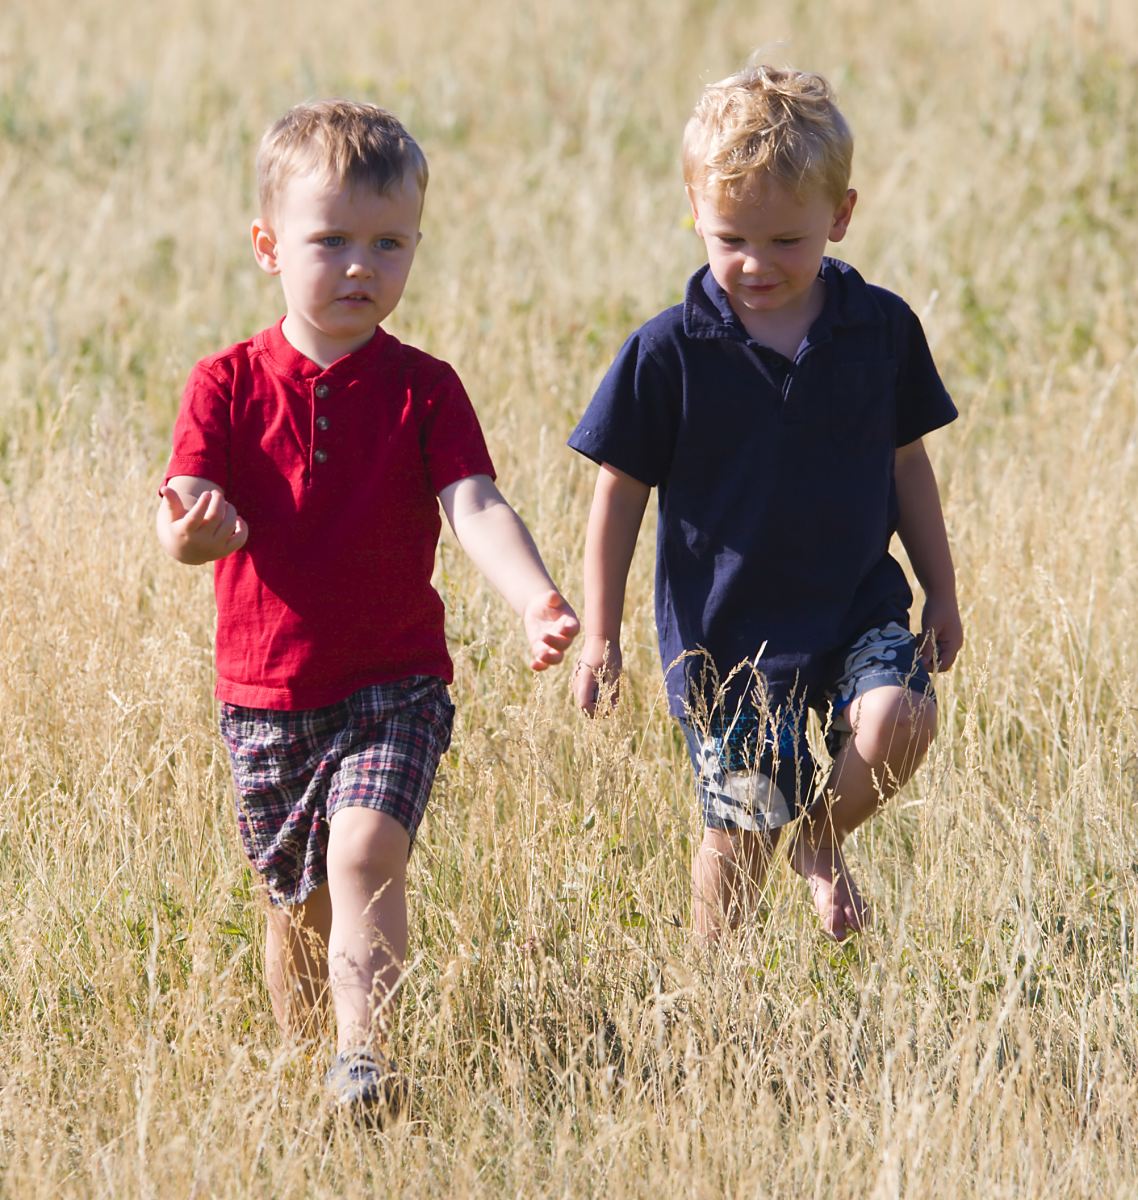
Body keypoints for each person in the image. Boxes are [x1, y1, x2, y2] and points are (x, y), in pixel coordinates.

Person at [156, 100, 579, 1117]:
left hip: (396, 680)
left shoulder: (424, 390)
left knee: (365, 851)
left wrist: (533, 599)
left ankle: (364, 1057)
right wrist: (197, 535)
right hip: (266, 687)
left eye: (388, 245)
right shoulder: (222, 385)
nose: (361, 267)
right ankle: (312, 1068)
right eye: (331, 241)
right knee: (294, 900)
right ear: (267, 247)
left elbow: (473, 503)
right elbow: (178, 522)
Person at [569, 63, 962, 944]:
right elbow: (618, 493)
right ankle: (719, 1003)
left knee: (903, 715)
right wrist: (601, 632)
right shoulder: (668, 352)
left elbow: (907, 465)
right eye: (730, 238)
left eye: (786, 241)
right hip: (725, 641)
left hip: (858, 604)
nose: (756, 264)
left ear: (841, 216)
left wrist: (941, 589)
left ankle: (820, 839)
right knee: (740, 829)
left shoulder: (880, 330)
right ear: (695, 213)